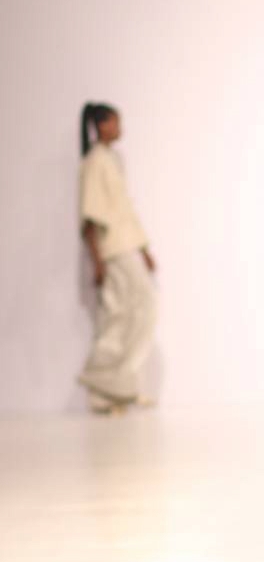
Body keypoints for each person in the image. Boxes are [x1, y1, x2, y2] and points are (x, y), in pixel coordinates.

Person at [76, 102, 158, 414]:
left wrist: (144, 249)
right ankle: (104, 384)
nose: (120, 128)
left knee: (125, 314)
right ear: (101, 125)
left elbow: (124, 209)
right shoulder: (95, 162)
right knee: (129, 312)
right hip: (113, 250)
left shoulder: (111, 161)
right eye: (115, 122)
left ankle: (114, 389)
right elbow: (90, 217)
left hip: (124, 246)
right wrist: (97, 260)